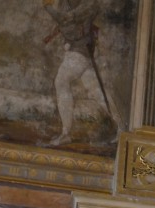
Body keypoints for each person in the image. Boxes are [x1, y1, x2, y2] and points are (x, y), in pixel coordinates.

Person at [42, 0, 124, 145]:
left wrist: (47, 7)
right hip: (79, 52)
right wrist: (53, 33)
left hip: (80, 52)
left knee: (61, 81)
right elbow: (65, 23)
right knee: (98, 93)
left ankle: (66, 133)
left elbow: (66, 19)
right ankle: (122, 128)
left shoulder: (89, 3)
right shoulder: (68, 3)